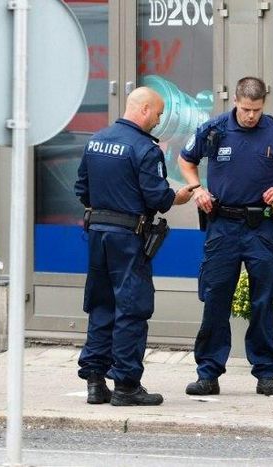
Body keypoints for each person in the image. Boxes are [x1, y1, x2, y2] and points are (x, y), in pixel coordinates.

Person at [179, 76, 273, 396]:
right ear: (235, 102)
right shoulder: (214, 129)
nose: (250, 115)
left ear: (263, 104)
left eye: (256, 109)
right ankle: (208, 373)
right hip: (222, 225)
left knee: (264, 299)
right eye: (245, 109)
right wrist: (197, 189)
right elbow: (186, 161)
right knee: (216, 297)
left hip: (261, 227)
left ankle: (266, 373)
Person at [75, 86, 197, 406]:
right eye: (157, 114)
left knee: (101, 305)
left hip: (98, 235)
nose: (157, 121)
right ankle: (127, 386)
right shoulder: (145, 149)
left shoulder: (96, 140)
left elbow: (82, 190)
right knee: (132, 308)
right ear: (143, 110)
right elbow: (158, 197)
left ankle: (95, 381)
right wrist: (178, 196)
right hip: (128, 238)